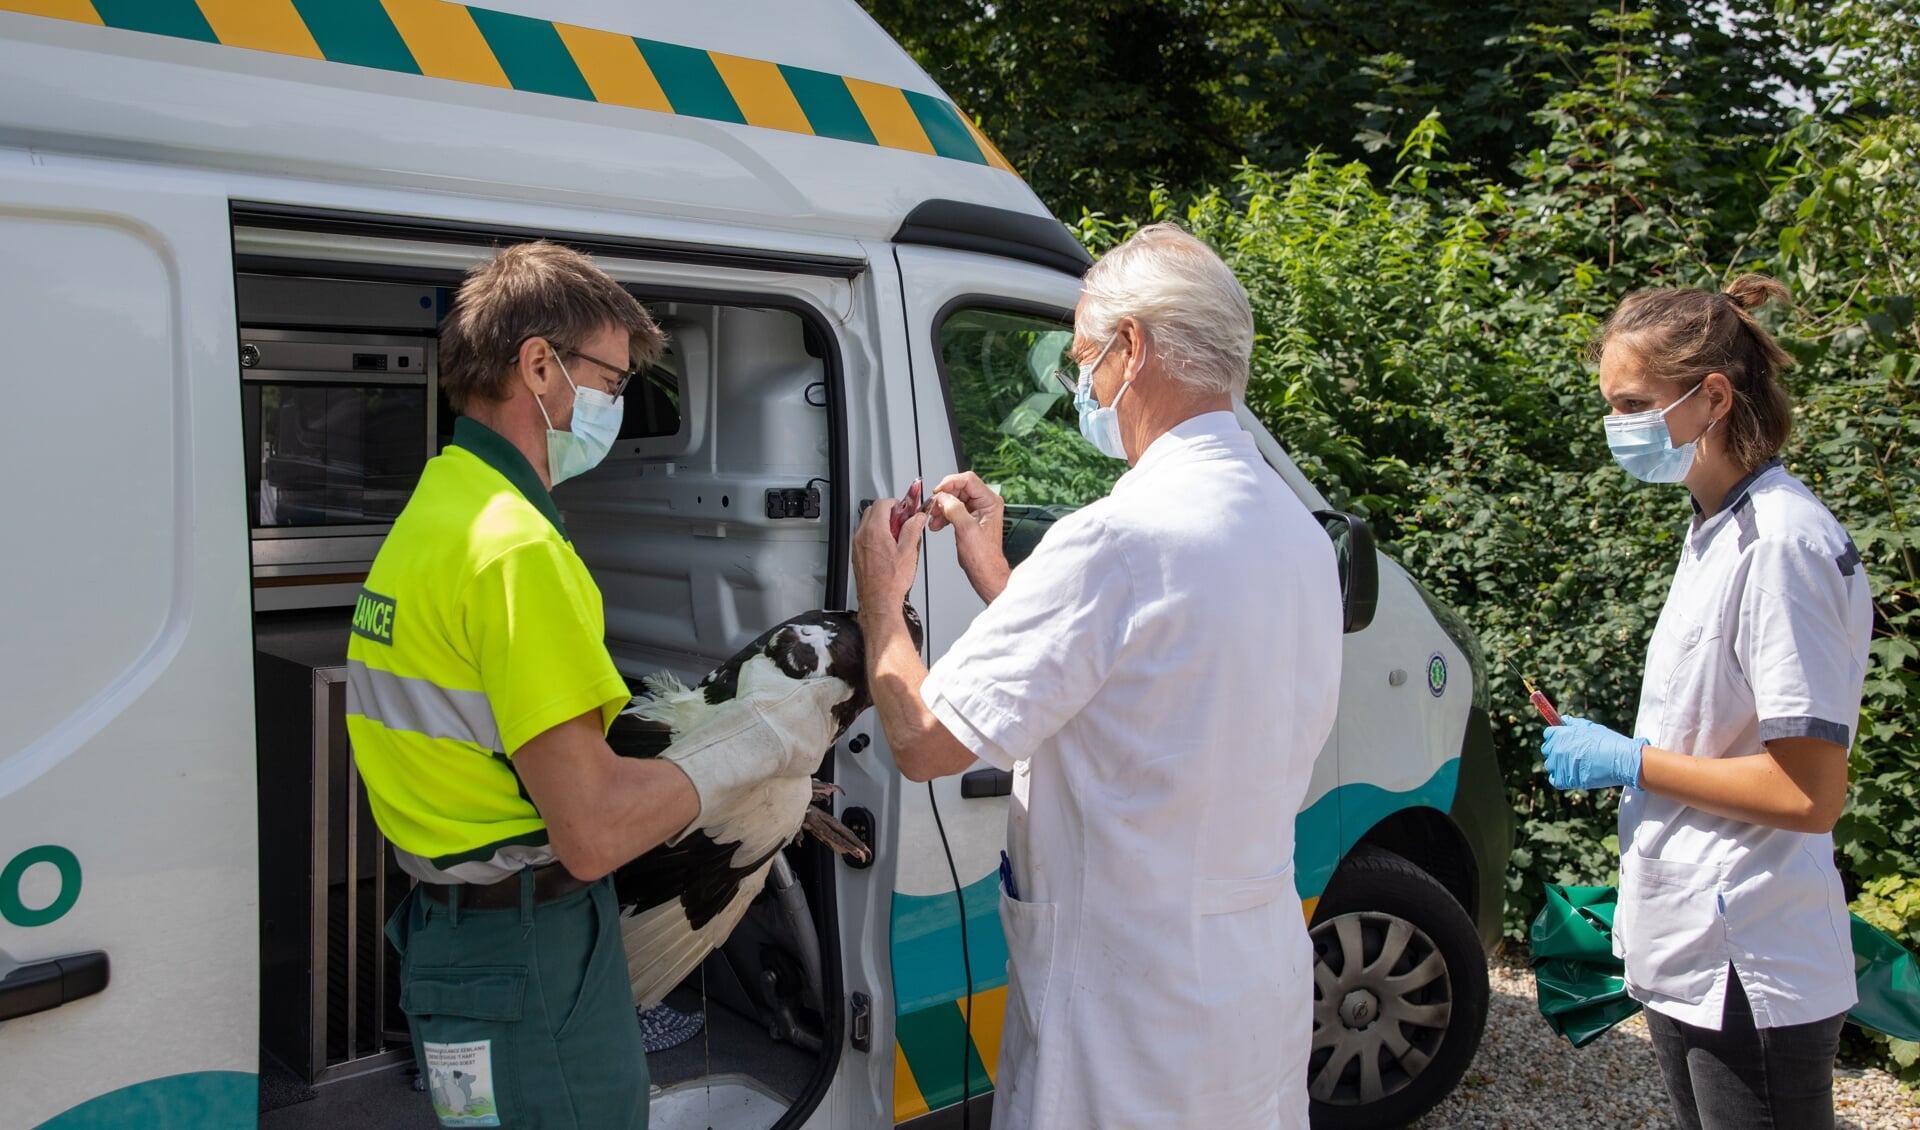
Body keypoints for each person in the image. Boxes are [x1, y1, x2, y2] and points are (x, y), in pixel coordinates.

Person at [852, 223, 1343, 1130]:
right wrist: (998, 574)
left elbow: (924, 742)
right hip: (1244, 984)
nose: (1078, 382)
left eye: (1081, 356)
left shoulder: (1118, 539)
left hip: (1125, 1018)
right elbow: (1134, 689)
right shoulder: (1293, 529)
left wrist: (881, 602)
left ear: (1133, 348)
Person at [346, 242, 832, 1129]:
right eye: (612, 381)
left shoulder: (438, 507)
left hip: (453, 938)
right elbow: (595, 832)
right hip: (531, 950)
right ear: (538, 365)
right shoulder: (519, 550)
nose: (617, 403)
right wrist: (759, 749)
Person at [1540, 275, 1873, 1130]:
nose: (1616, 427)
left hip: (1750, 960)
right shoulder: (1716, 526)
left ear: (1712, 397)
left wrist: (1631, 760)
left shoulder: (1783, 543)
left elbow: (1808, 794)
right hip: (1696, 943)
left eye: (1631, 403)